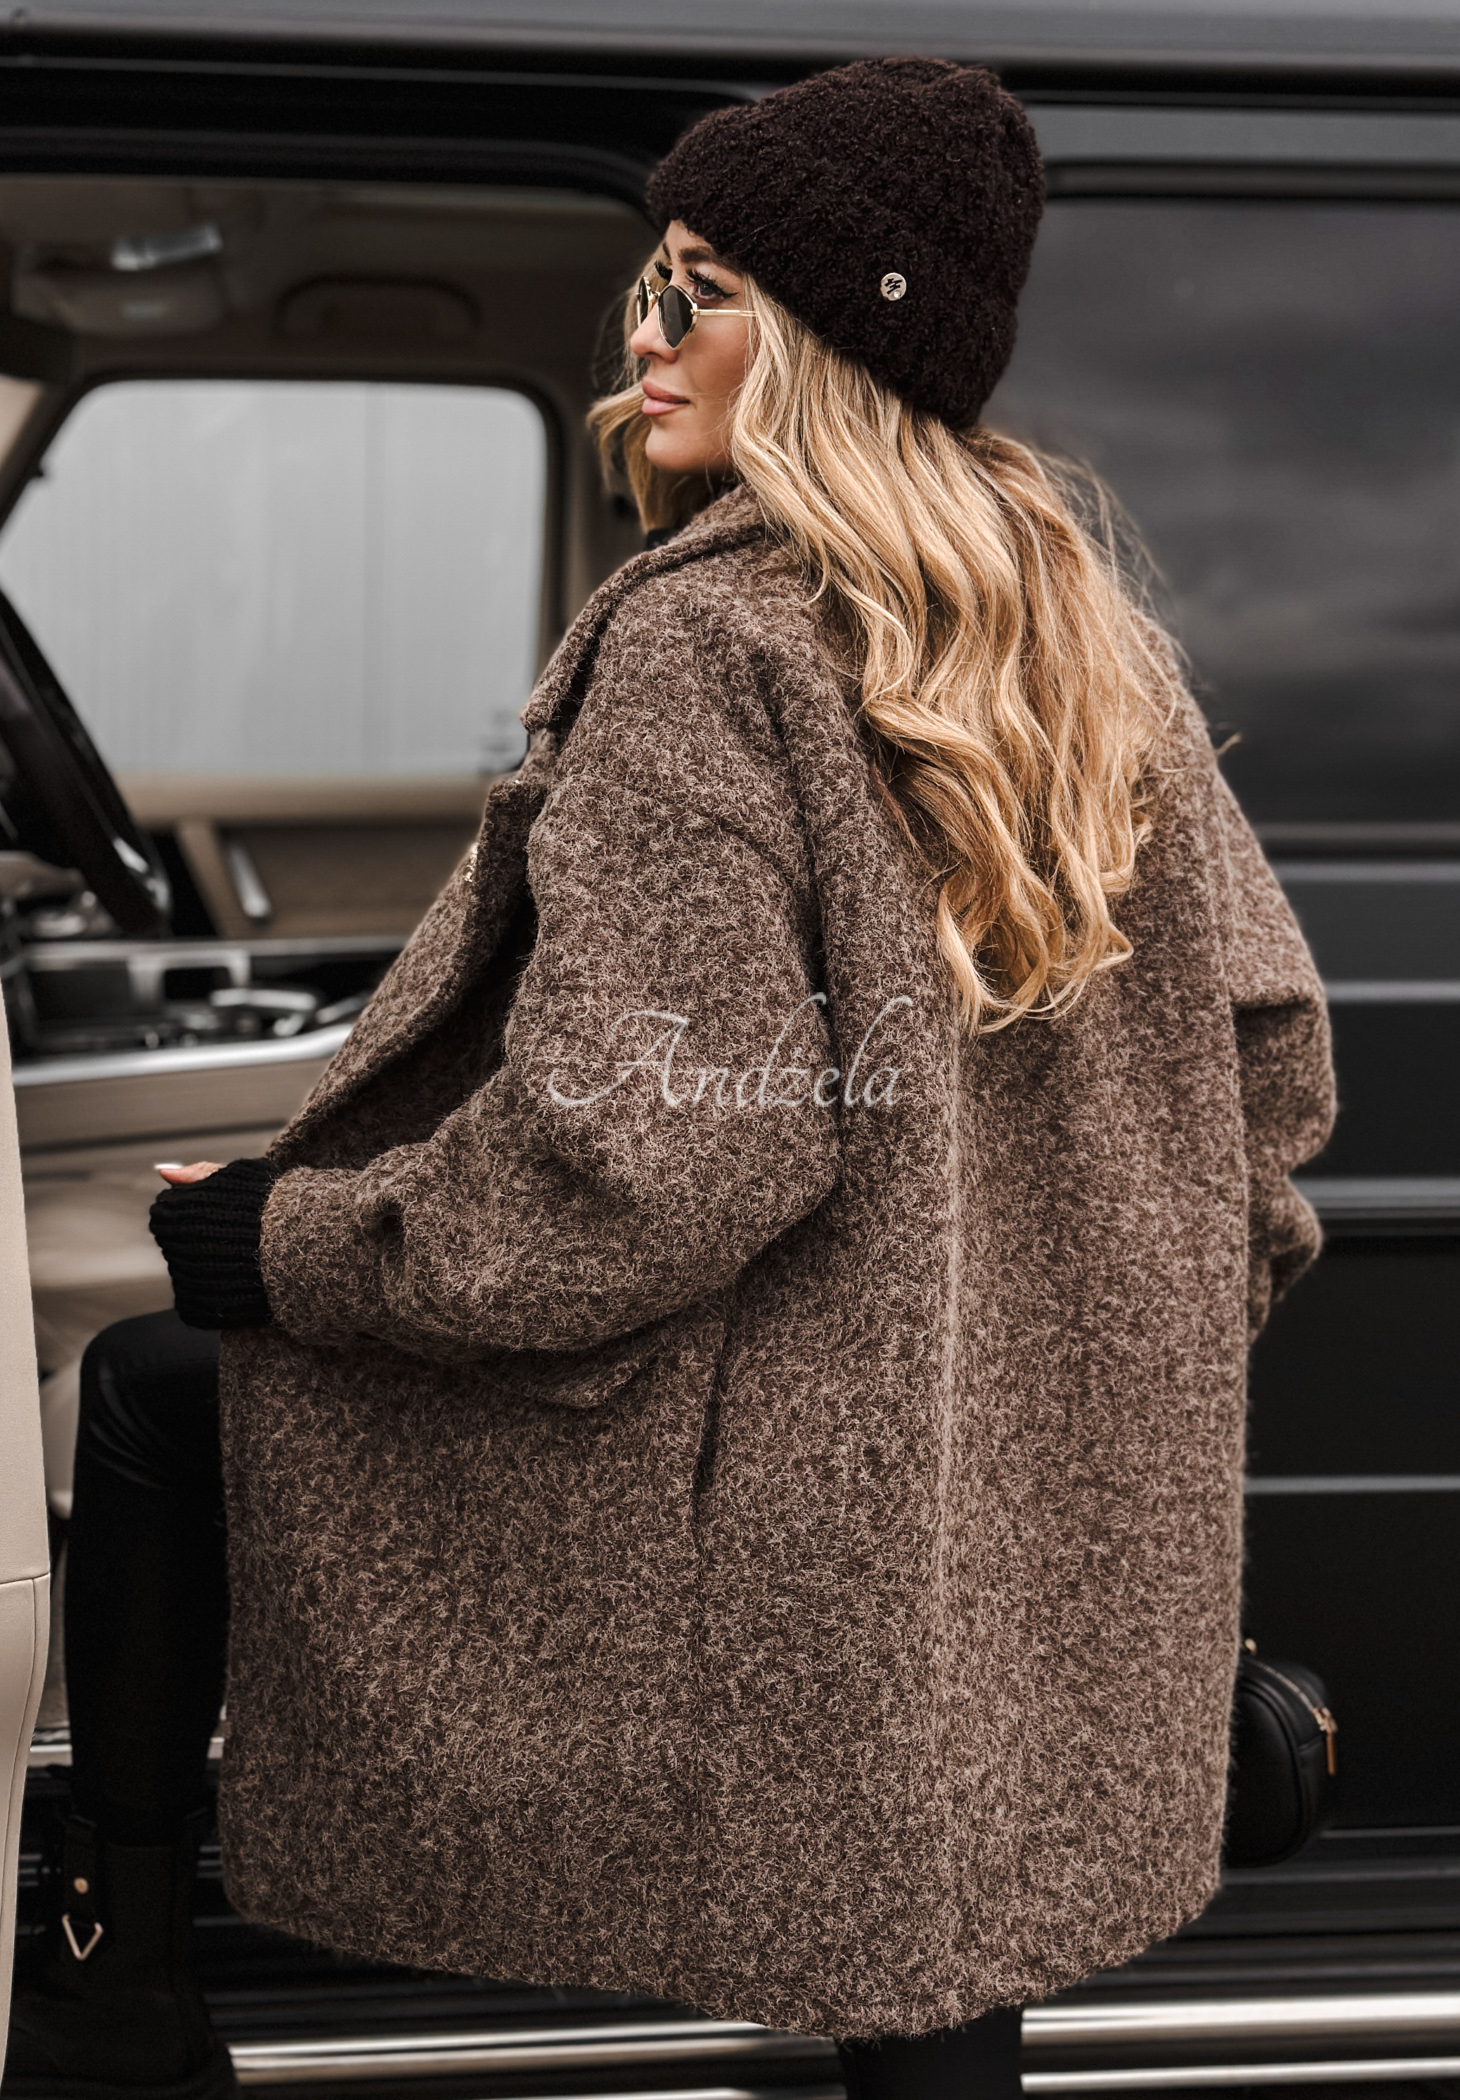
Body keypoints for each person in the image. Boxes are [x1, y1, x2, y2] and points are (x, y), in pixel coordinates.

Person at [4, 57, 1336, 2100]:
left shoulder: (710, 646)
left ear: (829, 339)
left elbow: (654, 1165)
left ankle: (120, 1976)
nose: (642, 334)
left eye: (698, 292)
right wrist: (1077, 1382)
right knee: (930, 1947)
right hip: (958, 1509)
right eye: (648, 283)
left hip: (768, 1496)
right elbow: (1266, 1082)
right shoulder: (1091, 647)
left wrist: (292, 1246)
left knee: (157, 1378)